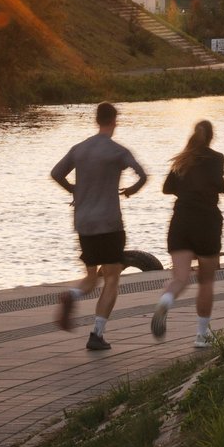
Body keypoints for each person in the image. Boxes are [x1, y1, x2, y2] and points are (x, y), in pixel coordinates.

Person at [51, 102, 148, 350]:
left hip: (84, 222)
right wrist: (131, 191)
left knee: (91, 276)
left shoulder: (79, 149)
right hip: (109, 222)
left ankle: (70, 295)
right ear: (114, 121)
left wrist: (74, 189)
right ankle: (97, 334)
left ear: (96, 120)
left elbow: (56, 173)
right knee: (113, 278)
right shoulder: (118, 151)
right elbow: (142, 174)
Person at [150, 120, 224, 348]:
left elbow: (167, 188)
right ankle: (201, 335)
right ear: (211, 137)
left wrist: (185, 187)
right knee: (206, 281)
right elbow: (216, 180)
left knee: (180, 278)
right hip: (206, 221)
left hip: (181, 221)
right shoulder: (217, 158)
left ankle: (166, 300)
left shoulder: (182, 159)